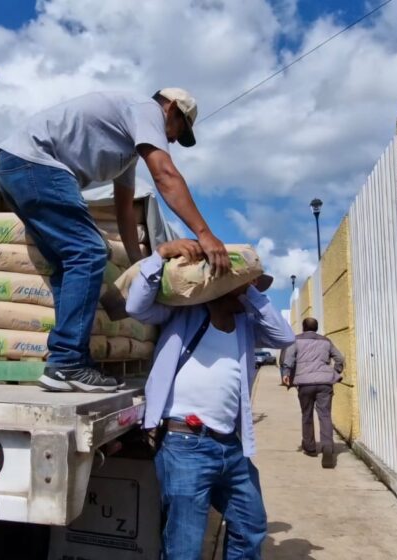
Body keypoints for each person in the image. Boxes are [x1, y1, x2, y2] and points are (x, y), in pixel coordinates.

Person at [0, 89, 231, 393]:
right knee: (90, 252)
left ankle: (69, 360)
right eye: (178, 131)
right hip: (35, 164)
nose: (172, 140)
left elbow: (124, 210)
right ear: (170, 109)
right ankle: (67, 362)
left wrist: (139, 265)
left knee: (67, 264)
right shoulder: (146, 110)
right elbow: (165, 174)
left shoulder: (127, 152)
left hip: (17, 167)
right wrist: (204, 234)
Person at [125, 239, 295, 560]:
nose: (252, 290)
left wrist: (249, 292)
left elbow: (284, 337)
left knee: (250, 526)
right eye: (247, 284)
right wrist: (160, 255)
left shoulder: (246, 324)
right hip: (185, 444)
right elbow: (136, 306)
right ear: (224, 285)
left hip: (230, 447)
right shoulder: (184, 311)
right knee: (185, 547)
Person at [281, 317, 345, 468]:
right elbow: (339, 358)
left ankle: (310, 448)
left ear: (303, 327)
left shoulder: (295, 340)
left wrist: (286, 373)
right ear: (316, 328)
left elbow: (289, 358)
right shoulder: (326, 341)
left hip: (305, 384)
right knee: (325, 415)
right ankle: (327, 447)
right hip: (324, 383)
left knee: (307, 414)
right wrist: (335, 372)